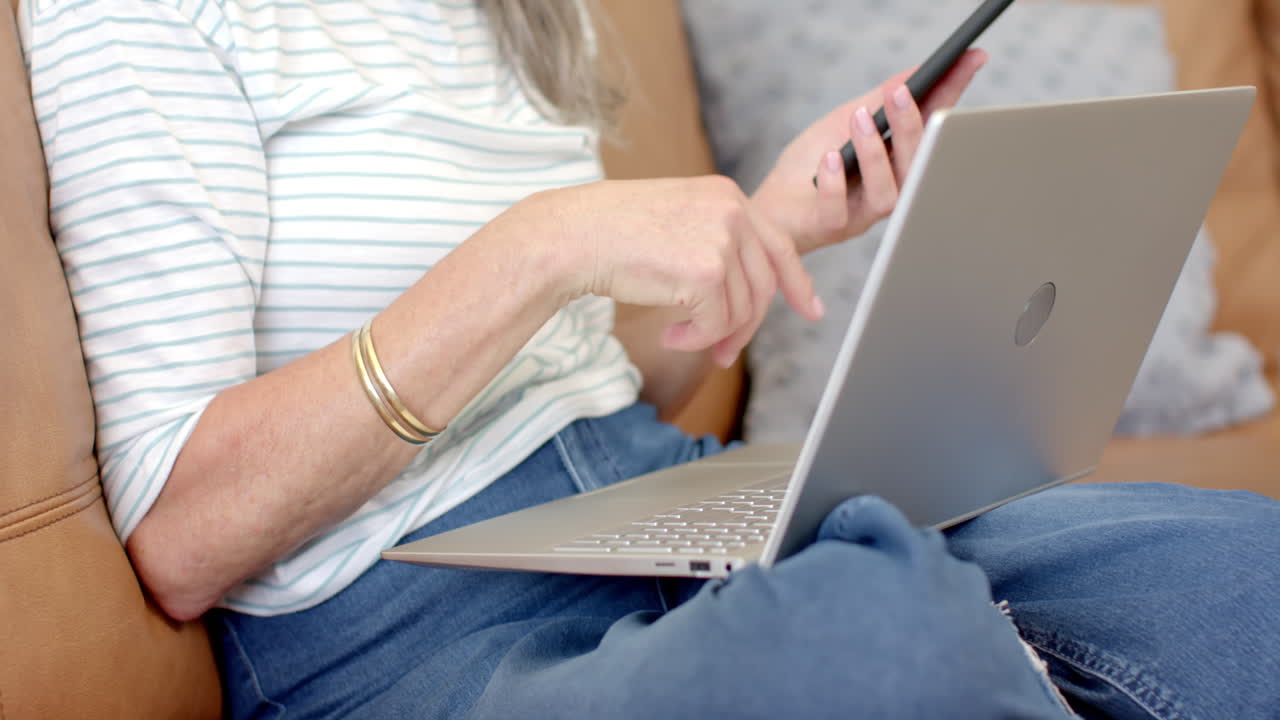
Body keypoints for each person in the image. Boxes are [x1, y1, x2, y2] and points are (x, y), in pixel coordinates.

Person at [19, 0, 1279, 717]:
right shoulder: (134, 12)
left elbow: (589, 384)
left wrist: (773, 223)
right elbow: (181, 536)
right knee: (877, 633)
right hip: (409, 624)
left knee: (1241, 577)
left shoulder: (503, 12)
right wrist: (540, 247)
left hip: (653, 504)